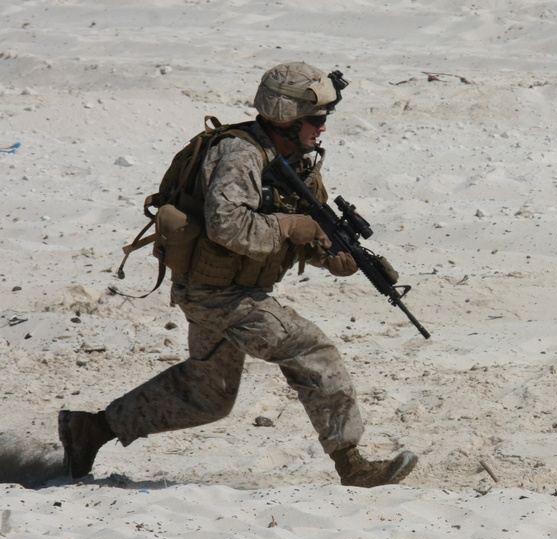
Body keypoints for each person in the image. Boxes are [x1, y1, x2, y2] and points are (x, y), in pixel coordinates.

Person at [58, 62, 417, 488]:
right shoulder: (239, 154)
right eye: (316, 120)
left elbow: (303, 226)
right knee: (311, 350)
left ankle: (92, 430)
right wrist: (289, 227)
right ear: (288, 117)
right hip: (218, 293)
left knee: (207, 395)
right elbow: (226, 225)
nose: (322, 129)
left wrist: (331, 255)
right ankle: (351, 463)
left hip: (228, 288)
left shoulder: (295, 161)